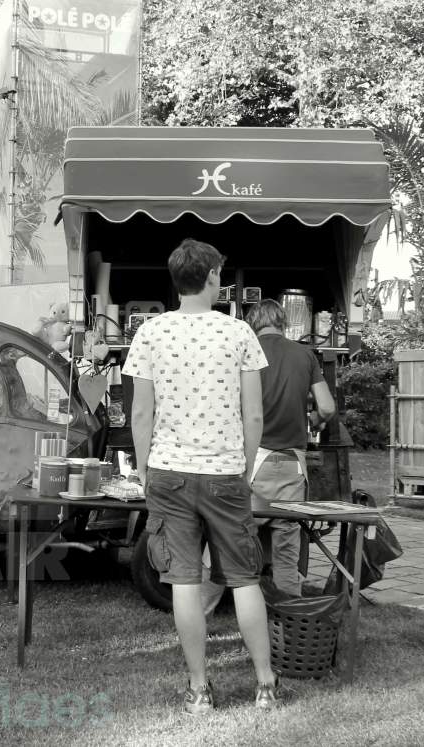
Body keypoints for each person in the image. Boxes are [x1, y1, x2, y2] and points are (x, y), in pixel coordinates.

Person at [124, 238, 279, 714]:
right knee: (244, 579)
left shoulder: (149, 333)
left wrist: (145, 468)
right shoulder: (239, 334)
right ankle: (265, 686)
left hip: (169, 472)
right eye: (219, 273)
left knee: (185, 582)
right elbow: (254, 416)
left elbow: (141, 413)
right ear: (212, 276)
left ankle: (198, 690)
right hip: (226, 473)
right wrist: (244, 466)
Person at [202, 299, 336, 608]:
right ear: (283, 323)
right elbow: (327, 407)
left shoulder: (245, 351)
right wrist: (314, 420)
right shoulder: (305, 355)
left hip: (251, 461)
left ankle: (198, 614)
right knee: (286, 554)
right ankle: (291, 626)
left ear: (253, 324)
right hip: (292, 464)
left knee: (225, 541)